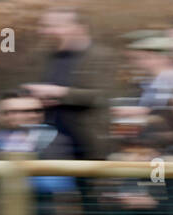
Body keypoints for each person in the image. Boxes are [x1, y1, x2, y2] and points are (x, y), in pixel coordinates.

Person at [26, 7, 111, 161]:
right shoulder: (46, 56)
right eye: (44, 26)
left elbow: (102, 96)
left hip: (87, 143)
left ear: (79, 29)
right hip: (50, 143)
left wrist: (58, 92)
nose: (45, 32)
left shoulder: (101, 56)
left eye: (54, 26)